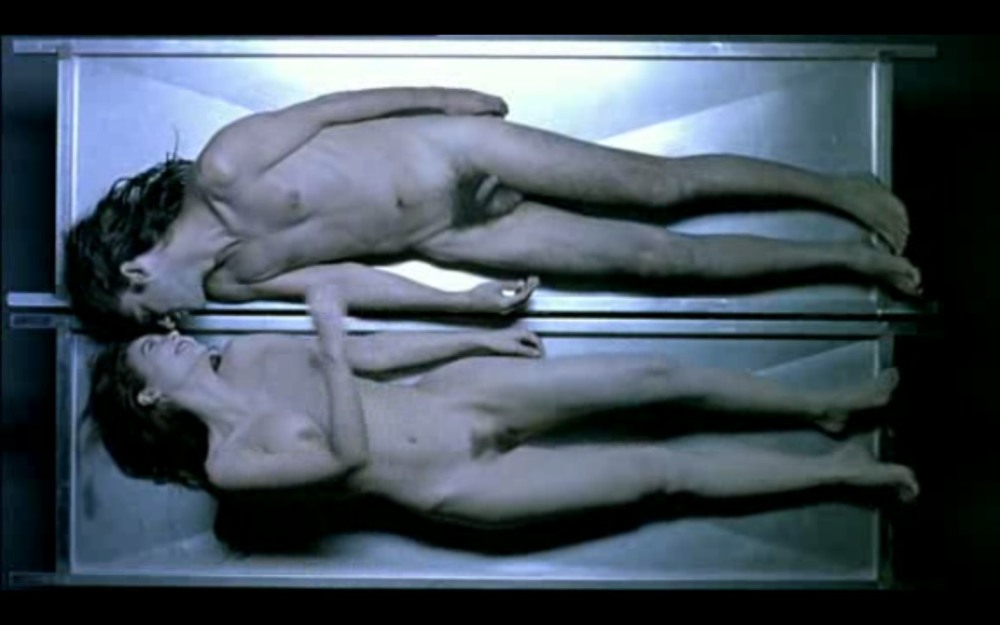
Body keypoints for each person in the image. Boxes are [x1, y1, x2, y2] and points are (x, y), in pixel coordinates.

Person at [65, 87, 921, 336]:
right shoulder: (236, 282)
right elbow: (350, 282)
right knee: (658, 262)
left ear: (136, 268)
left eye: (145, 313)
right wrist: (461, 304)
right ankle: (853, 261)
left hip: (455, 153)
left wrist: (447, 100)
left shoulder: (224, 164)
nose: (166, 324)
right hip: (451, 233)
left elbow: (333, 109)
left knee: (662, 188)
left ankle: (837, 191)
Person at [85, 283, 918, 531]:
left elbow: (371, 354)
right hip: (455, 482)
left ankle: (825, 404)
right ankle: (841, 471)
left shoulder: (253, 351)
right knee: (661, 472)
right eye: (153, 347)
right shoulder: (230, 465)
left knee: (656, 372)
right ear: (148, 393)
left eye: (163, 331)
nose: (170, 335)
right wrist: (332, 346)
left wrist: (471, 332)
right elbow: (345, 457)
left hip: (455, 397)